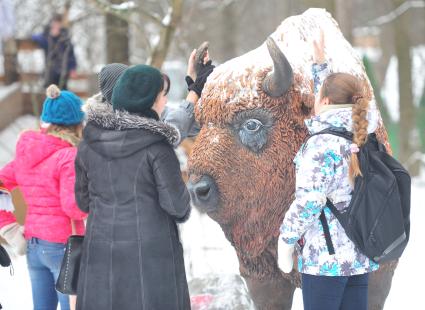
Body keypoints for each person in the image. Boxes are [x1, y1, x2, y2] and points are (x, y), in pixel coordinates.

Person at [75, 64, 191, 310]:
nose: (165, 100)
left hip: (101, 254)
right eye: (162, 95)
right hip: (152, 258)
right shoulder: (158, 148)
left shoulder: (88, 144)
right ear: (149, 101)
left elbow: (83, 202)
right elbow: (177, 207)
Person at [277, 32, 380, 310]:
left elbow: (311, 200)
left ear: (324, 101)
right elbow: (336, 97)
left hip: (325, 262)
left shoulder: (322, 144)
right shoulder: (361, 134)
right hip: (357, 256)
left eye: (318, 94)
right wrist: (320, 65)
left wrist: (285, 240)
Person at [0, 84, 87, 310]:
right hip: (63, 246)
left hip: (34, 245)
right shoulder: (69, 156)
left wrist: (8, 228)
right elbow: (74, 208)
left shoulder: (26, 152)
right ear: (77, 123)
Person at [32, 14, 77, 89]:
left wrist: (73, 68)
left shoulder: (65, 39)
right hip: (50, 71)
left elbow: (71, 55)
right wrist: (48, 34)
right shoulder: (46, 37)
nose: (56, 26)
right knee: (50, 92)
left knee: (62, 91)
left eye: (58, 24)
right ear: (51, 24)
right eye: (54, 24)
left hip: (63, 71)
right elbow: (35, 37)